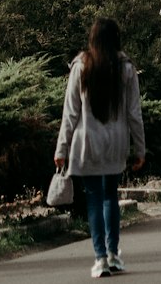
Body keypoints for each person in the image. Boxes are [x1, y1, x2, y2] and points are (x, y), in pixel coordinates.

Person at [55, 18, 145, 278]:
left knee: (94, 200)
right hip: (116, 143)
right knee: (110, 197)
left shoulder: (81, 66)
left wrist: (62, 148)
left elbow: (70, 114)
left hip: (87, 143)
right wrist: (140, 148)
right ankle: (114, 253)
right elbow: (134, 113)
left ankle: (100, 258)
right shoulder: (126, 68)